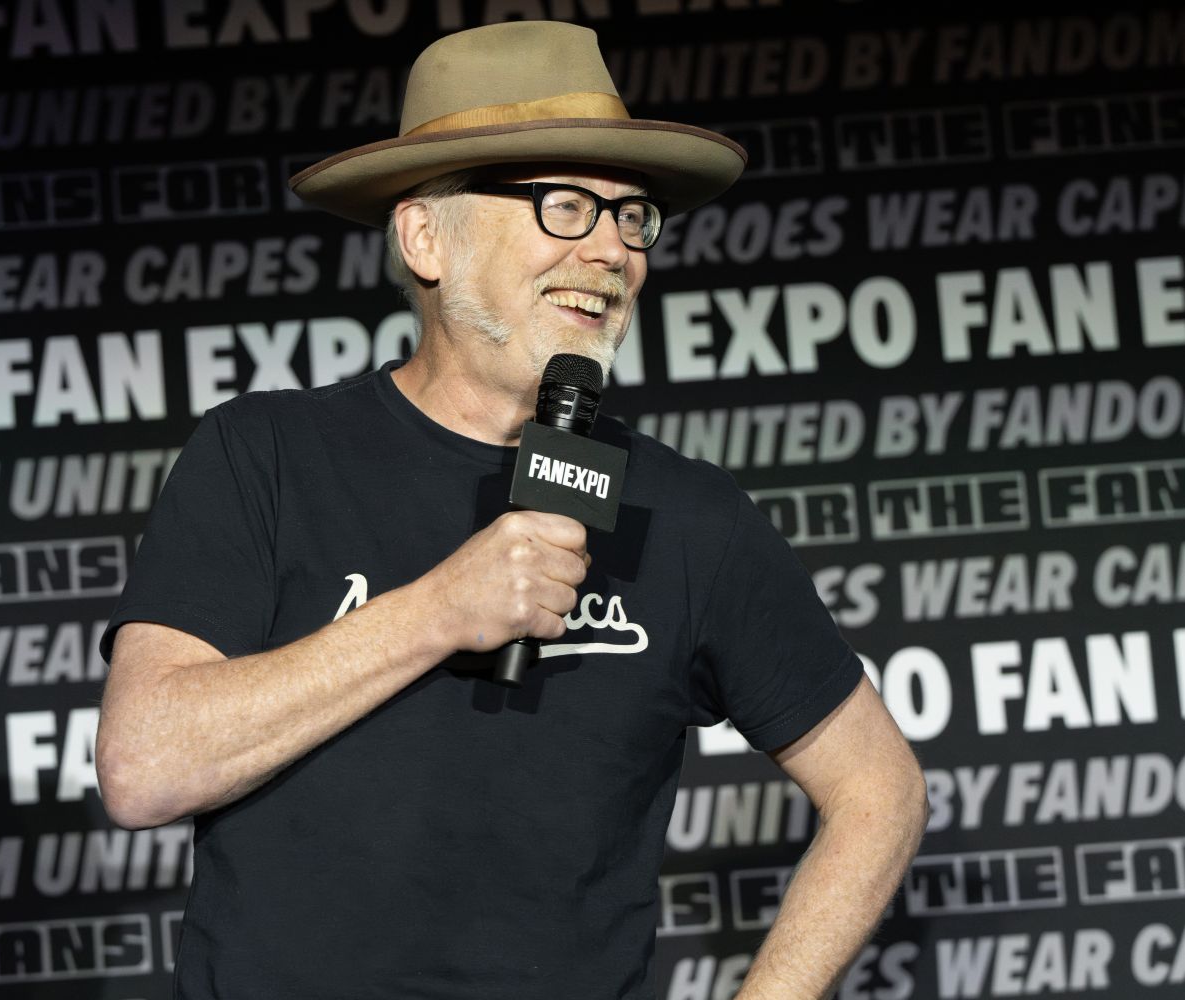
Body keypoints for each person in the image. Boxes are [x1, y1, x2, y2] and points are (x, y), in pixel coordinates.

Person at [96, 20, 928, 1000]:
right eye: (565, 205)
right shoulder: (265, 456)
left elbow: (879, 791)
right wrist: (437, 610)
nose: (612, 251)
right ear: (425, 237)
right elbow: (145, 767)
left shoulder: (690, 516)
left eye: (633, 216)